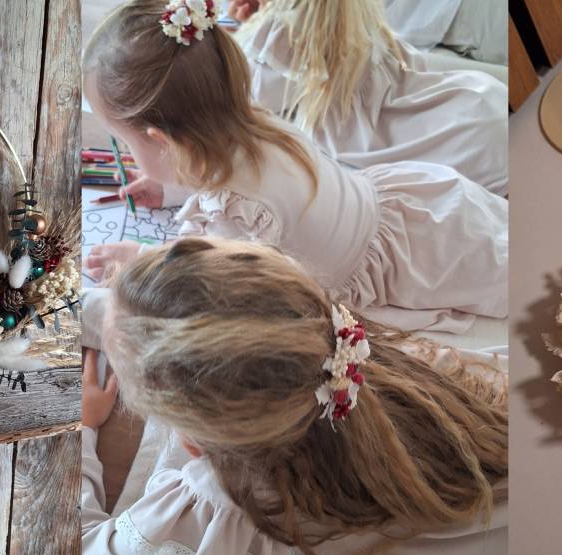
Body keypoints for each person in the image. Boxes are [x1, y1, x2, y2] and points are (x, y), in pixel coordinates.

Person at [81, 238, 507, 555]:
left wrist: (77, 426)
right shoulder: (336, 348)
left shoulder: (239, 493)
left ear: (193, 444)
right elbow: (192, 326)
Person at [81, 0, 507, 334]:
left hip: (421, 264)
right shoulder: (253, 120)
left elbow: (205, 293)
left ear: (163, 142)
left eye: (126, 143)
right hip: (425, 208)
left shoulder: (234, 215)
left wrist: (142, 263)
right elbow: (248, 184)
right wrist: (172, 190)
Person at [232, 0, 508, 195]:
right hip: (478, 105)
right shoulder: (345, 12)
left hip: (463, 144)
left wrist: (248, 32)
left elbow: (244, 95)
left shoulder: (282, 30)